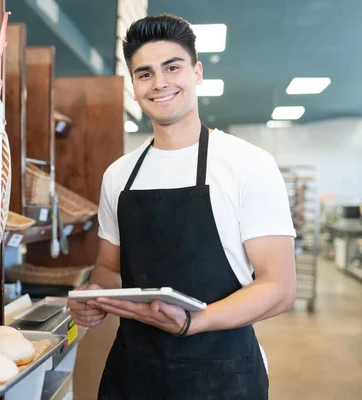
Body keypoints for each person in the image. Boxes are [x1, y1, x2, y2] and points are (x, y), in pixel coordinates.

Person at [68, 14, 296, 399]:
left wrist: (194, 322)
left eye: (172, 67)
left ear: (197, 73)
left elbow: (278, 287)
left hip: (223, 372)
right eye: (145, 74)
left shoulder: (247, 164)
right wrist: (95, 297)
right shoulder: (119, 174)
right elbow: (109, 267)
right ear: (134, 87)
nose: (159, 83)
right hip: (134, 372)